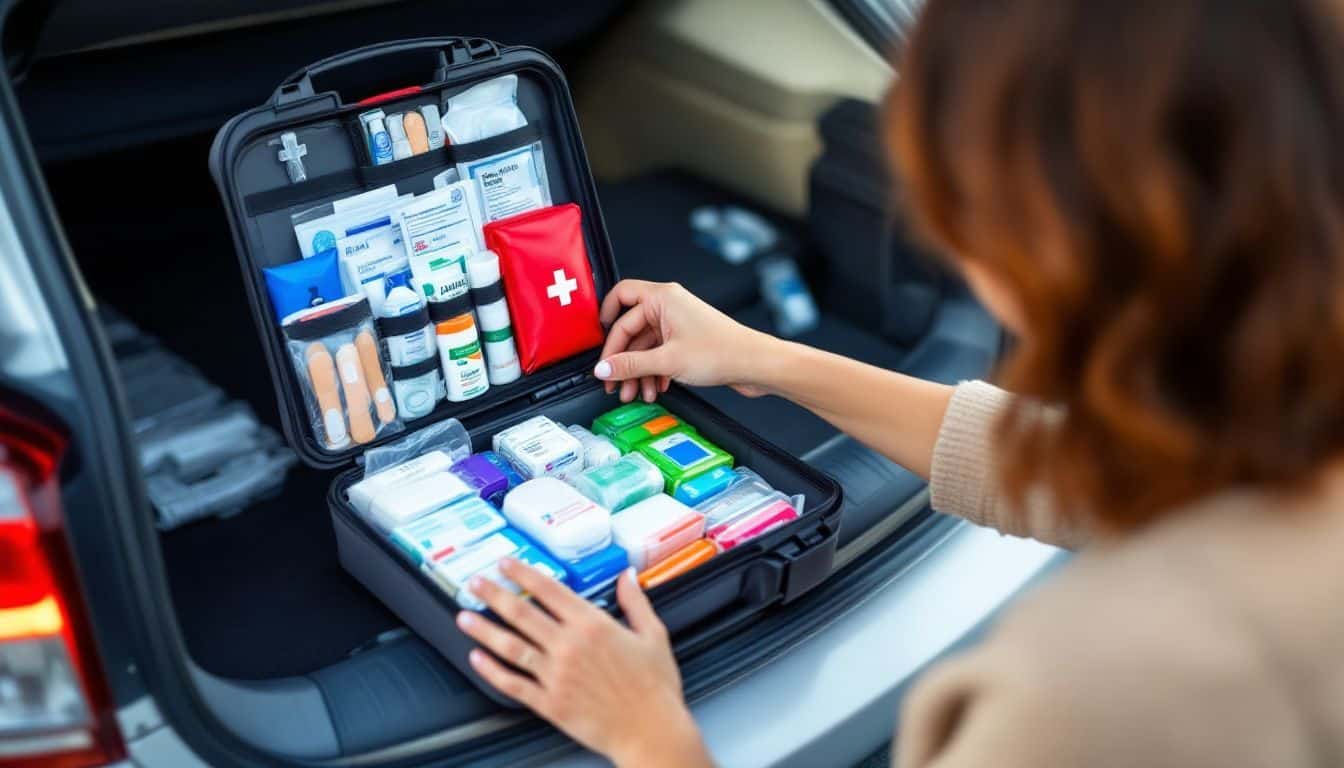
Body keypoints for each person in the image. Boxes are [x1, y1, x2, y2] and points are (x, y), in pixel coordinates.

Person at [453, 0, 1344, 765]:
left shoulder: (1087, 691)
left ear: (1048, 235)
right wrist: (761, 359)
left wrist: (648, 732)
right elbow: (1081, 467)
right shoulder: (1280, 427)